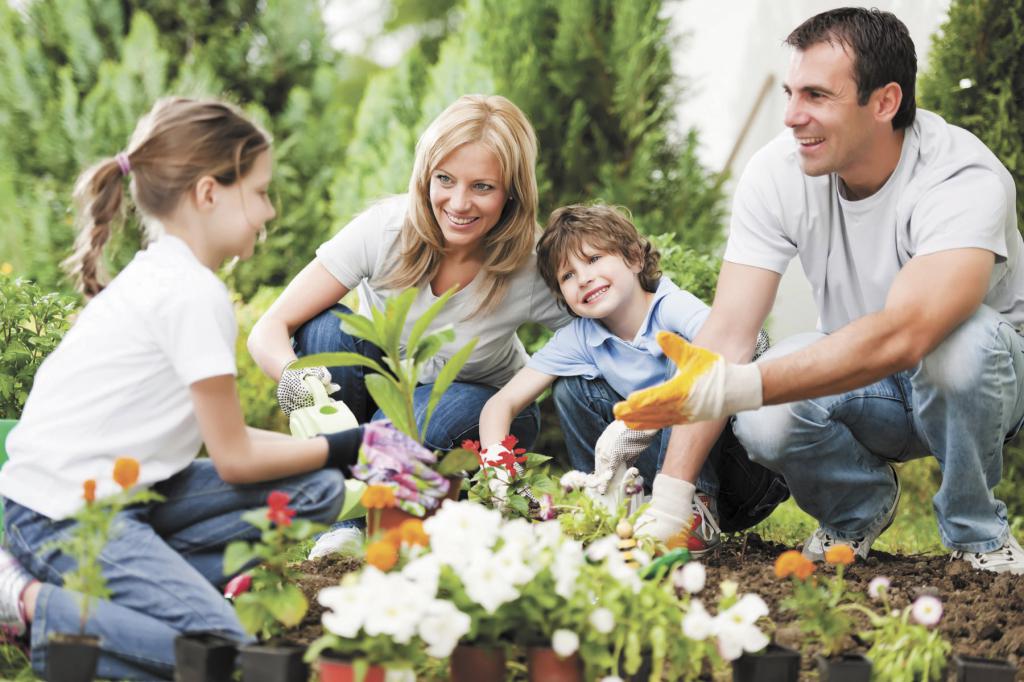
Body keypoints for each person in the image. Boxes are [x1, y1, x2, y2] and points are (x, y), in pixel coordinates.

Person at [614, 8, 1024, 574]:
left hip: (983, 378)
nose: (791, 116)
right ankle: (856, 509)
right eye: (789, 92)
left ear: (884, 102)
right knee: (765, 417)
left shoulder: (961, 178)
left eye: (815, 95)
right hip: (868, 381)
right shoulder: (779, 172)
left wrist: (741, 385)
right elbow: (729, 333)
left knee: (959, 347)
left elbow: (910, 333)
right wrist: (670, 497)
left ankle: (977, 536)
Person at [0, 97, 367, 679]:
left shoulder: (166, 274)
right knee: (219, 651)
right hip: (60, 516)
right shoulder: (191, 294)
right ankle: (29, 602)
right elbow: (236, 459)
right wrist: (353, 446)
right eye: (261, 191)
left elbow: (229, 440)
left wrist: (352, 451)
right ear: (208, 192)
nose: (269, 211)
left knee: (315, 491)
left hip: (126, 497)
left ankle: (136, 601)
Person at [247, 94, 570, 555]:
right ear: (425, 177)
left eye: (483, 187)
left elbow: (590, 334)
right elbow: (269, 328)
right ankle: (342, 528)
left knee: (406, 426)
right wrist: (296, 382)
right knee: (322, 331)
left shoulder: (529, 264)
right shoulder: (385, 231)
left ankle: (388, 519)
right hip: (390, 396)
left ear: (513, 192)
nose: (458, 203)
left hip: (480, 408)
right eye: (445, 180)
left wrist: (524, 389)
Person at [479, 204, 787, 552]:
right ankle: (608, 504)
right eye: (567, 276)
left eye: (594, 259)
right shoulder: (581, 336)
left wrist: (641, 422)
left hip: (742, 477)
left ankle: (695, 508)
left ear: (635, 258)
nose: (583, 278)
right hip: (660, 476)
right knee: (570, 389)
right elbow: (500, 404)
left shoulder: (670, 306)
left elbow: (734, 348)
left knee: (691, 356)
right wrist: (499, 469)